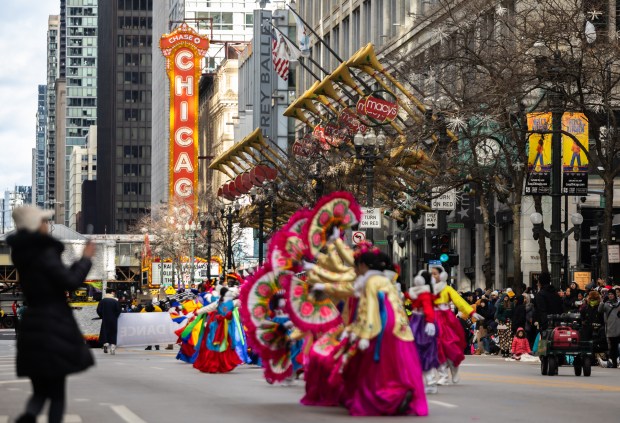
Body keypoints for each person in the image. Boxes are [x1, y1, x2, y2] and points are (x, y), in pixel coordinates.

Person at [7, 206, 95, 423]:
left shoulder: (22, 254)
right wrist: (85, 259)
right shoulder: (44, 253)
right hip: (52, 327)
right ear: (36, 226)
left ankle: (27, 419)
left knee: (39, 392)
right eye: (44, 222)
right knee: (56, 394)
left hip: (33, 327)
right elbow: (70, 282)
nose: (48, 225)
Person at [341, 248, 427, 416]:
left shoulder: (371, 281)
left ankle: (390, 398)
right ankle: (400, 392)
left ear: (364, 266)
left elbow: (369, 309)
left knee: (376, 370)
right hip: (400, 327)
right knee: (395, 366)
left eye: (357, 266)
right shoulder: (386, 281)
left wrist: (363, 334)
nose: (356, 270)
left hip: (381, 327)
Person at [599, 289, 620, 368]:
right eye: (609, 294)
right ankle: (613, 362)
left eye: (612, 294)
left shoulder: (619, 303)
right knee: (613, 346)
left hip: (618, 327)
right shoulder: (607, 304)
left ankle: (615, 361)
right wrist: (602, 302)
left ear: (615, 295)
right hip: (610, 328)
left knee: (617, 345)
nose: (610, 295)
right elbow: (600, 310)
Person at [96, 289, 122, 355]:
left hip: (105, 319)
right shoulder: (115, 301)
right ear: (112, 293)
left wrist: (102, 316)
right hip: (113, 320)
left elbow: (98, 310)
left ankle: (105, 344)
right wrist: (115, 316)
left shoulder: (102, 301)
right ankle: (112, 347)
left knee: (105, 331)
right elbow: (119, 310)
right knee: (113, 332)